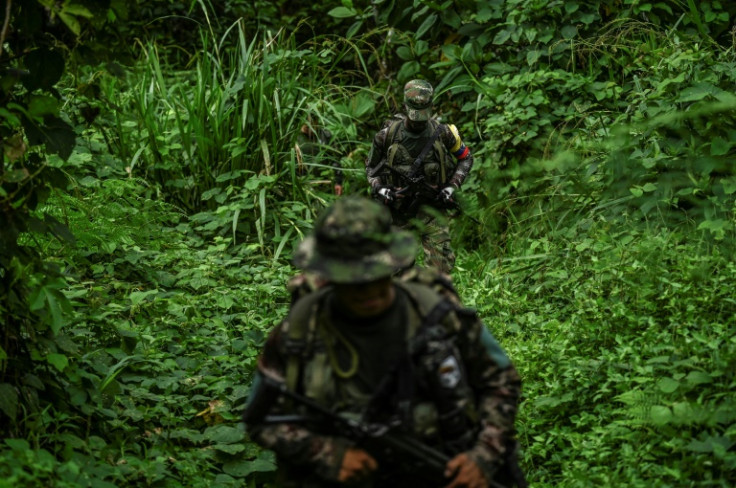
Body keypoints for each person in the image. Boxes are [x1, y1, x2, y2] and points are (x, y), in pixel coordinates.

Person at [243, 196, 524, 488]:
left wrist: (482, 456)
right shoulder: (302, 327)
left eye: (375, 273)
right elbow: (260, 418)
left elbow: (501, 381)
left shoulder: (436, 312)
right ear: (329, 276)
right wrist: (328, 454)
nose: (367, 289)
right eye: (352, 279)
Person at [365, 80, 474, 274]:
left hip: (432, 210)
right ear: (406, 107)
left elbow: (466, 159)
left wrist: (451, 186)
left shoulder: (444, 133)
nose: (418, 121)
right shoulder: (387, 135)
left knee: (440, 268)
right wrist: (381, 189)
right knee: (396, 270)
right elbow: (371, 169)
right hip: (398, 212)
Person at [296, 117, 344, 196]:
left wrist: (338, 182)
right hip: (303, 183)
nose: (308, 125)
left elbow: (335, 159)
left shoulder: (325, 135)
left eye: (311, 122)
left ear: (316, 121)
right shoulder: (296, 138)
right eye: (305, 122)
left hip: (325, 182)